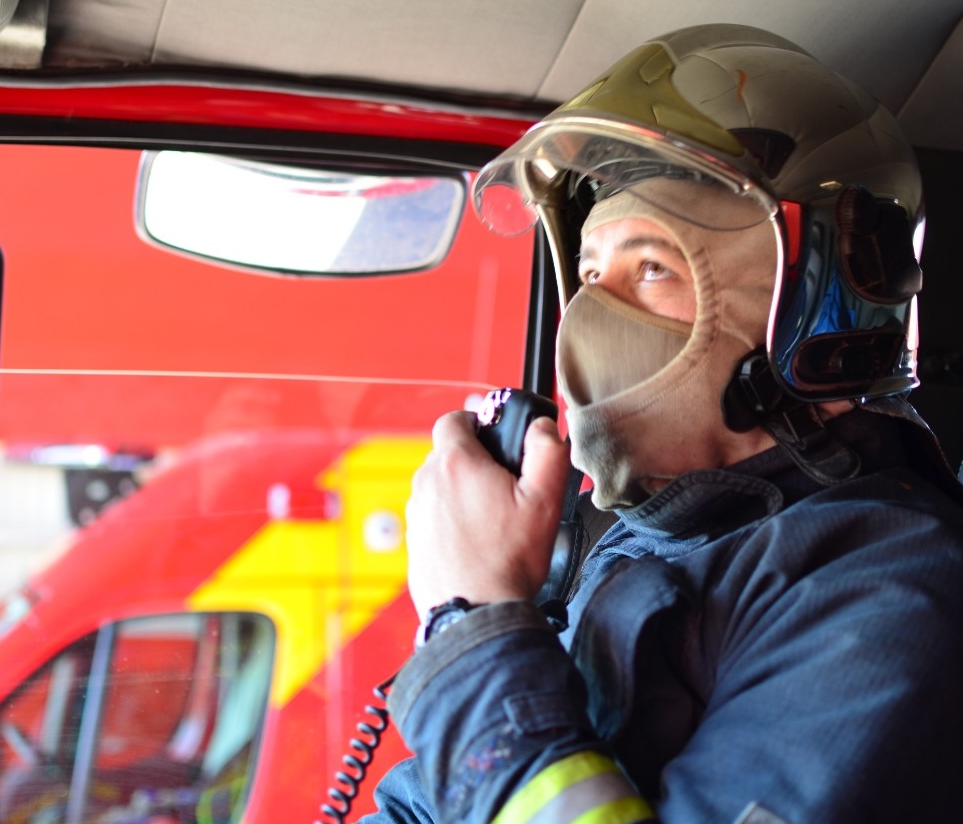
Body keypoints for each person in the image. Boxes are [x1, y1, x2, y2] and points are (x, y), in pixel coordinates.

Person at [359, 23, 963, 824]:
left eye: (650, 268)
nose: (588, 320)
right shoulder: (651, 534)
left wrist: (472, 623)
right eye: (588, 274)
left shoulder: (891, 587)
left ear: (812, 321)